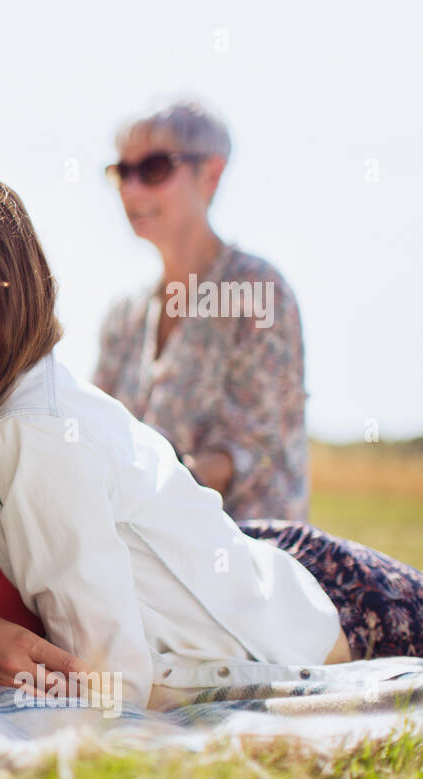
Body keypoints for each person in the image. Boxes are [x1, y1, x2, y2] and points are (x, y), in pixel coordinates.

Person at [0, 172, 423, 712]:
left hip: (341, 614)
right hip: (254, 561)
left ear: (17, 303)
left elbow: (109, 687)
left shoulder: (31, 436)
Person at [93, 100, 310, 521]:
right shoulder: (124, 316)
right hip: (145, 557)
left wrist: (158, 485)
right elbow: (93, 432)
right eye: (122, 172)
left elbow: (256, 447)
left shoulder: (258, 292)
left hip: (251, 561)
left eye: (154, 169)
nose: (131, 189)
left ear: (210, 174)